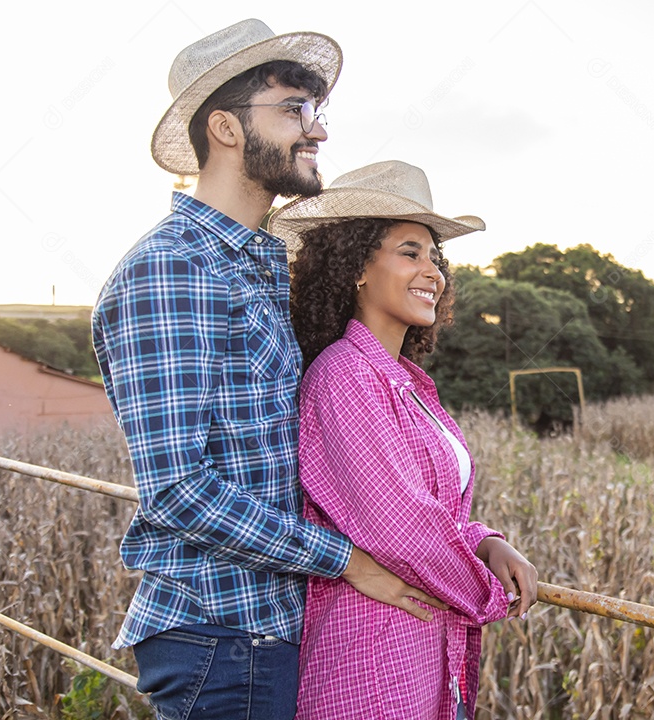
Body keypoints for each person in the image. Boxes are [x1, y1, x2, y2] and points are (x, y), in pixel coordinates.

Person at [92, 21, 442, 720]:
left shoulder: (254, 266)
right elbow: (180, 490)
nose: (316, 132)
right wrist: (346, 560)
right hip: (220, 631)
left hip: (266, 623)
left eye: (315, 112)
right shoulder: (174, 269)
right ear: (224, 127)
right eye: (292, 109)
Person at [271, 160, 538, 719]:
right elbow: (400, 525)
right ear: (355, 269)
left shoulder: (408, 382)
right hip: (371, 651)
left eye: (436, 258)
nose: (433, 272)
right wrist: (490, 594)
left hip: (421, 642)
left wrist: (488, 542)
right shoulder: (344, 375)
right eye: (410, 252)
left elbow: (436, 508)